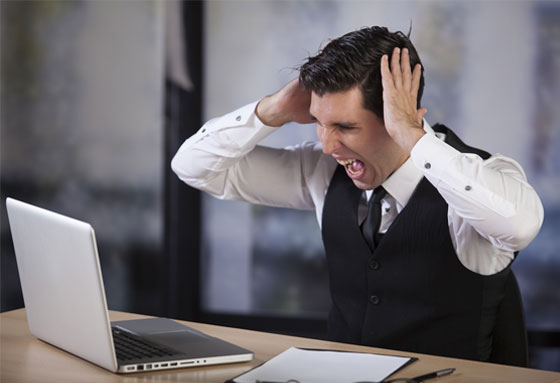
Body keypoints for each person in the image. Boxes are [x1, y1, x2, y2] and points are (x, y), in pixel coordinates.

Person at [171, 26, 544, 361]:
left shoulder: (483, 179)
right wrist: (273, 109)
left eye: (345, 127)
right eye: (320, 123)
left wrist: (415, 138)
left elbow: (520, 226)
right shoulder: (322, 170)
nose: (328, 144)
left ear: (397, 117)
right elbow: (192, 167)